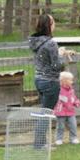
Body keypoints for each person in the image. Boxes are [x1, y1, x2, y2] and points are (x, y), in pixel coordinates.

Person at [29, 14, 65, 148]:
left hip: (39, 79)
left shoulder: (36, 41)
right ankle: (39, 144)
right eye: (53, 22)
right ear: (49, 25)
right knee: (46, 114)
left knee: (43, 111)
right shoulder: (51, 43)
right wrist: (61, 55)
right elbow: (56, 66)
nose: (54, 25)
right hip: (50, 82)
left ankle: (41, 142)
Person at [53, 71, 80, 145]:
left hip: (70, 111)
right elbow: (60, 99)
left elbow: (73, 98)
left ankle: (73, 138)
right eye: (70, 80)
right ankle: (59, 139)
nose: (72, 81)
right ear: (64, 81)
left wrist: (76, 102)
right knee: (60, 126)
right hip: (61, 112)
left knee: (73, 125)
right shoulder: (59, 90)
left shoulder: (71, 90)